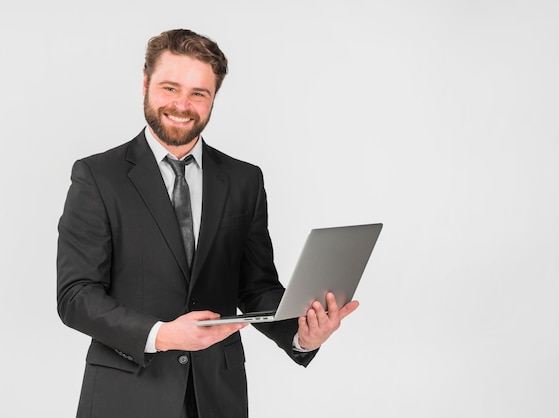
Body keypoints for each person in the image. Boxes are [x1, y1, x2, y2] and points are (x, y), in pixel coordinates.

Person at [56, 28, 359, 418]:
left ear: (214, 97)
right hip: (126, 396)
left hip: (218, 396)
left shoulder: (244, 180)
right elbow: (76, 296)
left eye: (199, 93)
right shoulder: (98, 176)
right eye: (170, 88)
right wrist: (161, 335)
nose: (182, 105)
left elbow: (257, 288)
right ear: (146, 83)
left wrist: (301, 334)